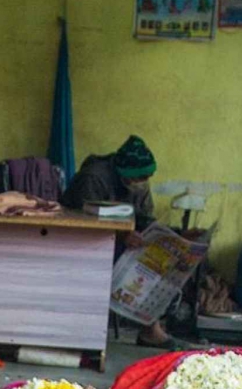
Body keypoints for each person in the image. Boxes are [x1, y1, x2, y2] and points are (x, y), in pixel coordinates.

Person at [61, 135, 173, 347]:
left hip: (121, 242)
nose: (142, 183)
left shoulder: (138, 182)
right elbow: (85, 223)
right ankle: (148, 329)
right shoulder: (94, 178)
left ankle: (150, 328)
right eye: (138, 178)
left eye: (146, 177)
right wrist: (122, 236)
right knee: (138, 269)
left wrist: (164, 236)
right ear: (124, 175)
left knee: (158, 264)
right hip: (85, 243)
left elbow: (145, 218)